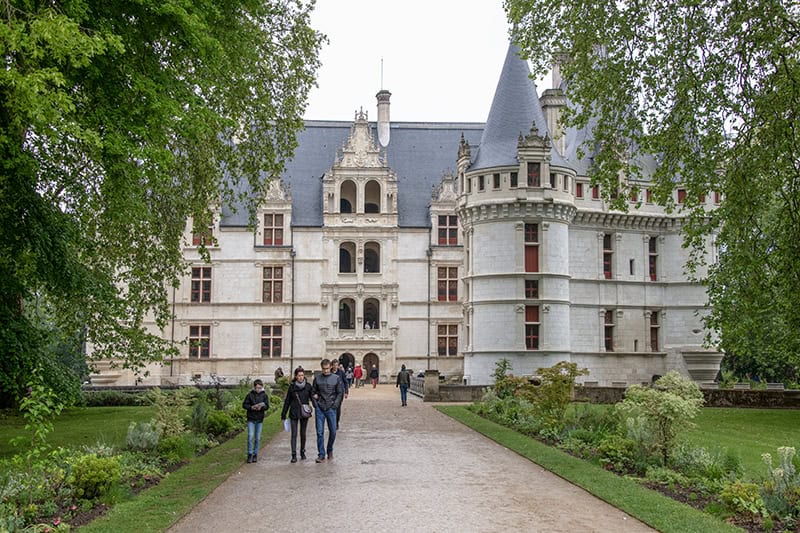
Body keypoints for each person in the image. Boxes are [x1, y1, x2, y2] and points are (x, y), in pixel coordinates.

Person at [311, 358, 344, 462]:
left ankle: (329, 449)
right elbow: (312, 392)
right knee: (319, 432)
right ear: (321, 368)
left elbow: (340, 393)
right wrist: (315, 405)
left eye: (327, 368)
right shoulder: (317, 379)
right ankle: (321, 454)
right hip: (320, 408)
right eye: (324, 369)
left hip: (331, 407)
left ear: (330, 367)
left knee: (333, 431)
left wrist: (335, 405)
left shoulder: (336, 378)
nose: (325, 371)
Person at [281, 366, 313, 463]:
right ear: (296, 376)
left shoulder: (308, 386)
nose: (301, 377)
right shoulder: (292, 387)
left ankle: (302, 451)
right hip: (294, 412)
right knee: (294, 434)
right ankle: (293, 454)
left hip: (304, 413)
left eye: (302, 375)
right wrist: (283, 414)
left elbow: (312, 397)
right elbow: (287, 401)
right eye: (299, 375)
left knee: (303, 434)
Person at [242, 379, 269, 463]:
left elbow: (267, 405)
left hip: (259, 418)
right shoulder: (250, 395)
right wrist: (251, 407)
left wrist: (261, 407)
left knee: (257, 438)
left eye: (260, 388)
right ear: (254, 387)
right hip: (251, 418)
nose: (258, 389)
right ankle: (250, 454)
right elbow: (244, 404)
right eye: (257, 388)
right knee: (250, 436)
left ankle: (255, 454)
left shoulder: (264, 395)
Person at [331, 359, 349, 428]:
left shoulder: (341, 372)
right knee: (331, 408)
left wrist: (346, 392)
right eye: (334, 365)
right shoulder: (329, 372)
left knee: (337, 408)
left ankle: (336, 422)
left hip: (339, 393)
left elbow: (345, 382)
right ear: (331, 365)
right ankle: (332, 422)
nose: (335, 366)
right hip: (331, 392)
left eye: (336, 365)